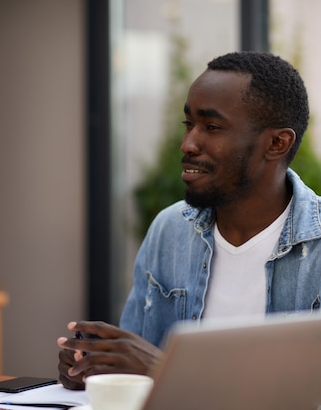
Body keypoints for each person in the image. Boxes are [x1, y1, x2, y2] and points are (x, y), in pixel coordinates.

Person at [57, 51, 321, 389]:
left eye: (211, 127)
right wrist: (95, 365)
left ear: (277, 143)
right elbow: (132, 368)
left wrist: (167, 370)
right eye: (188, 124)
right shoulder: (170, 230)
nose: (188, 143)